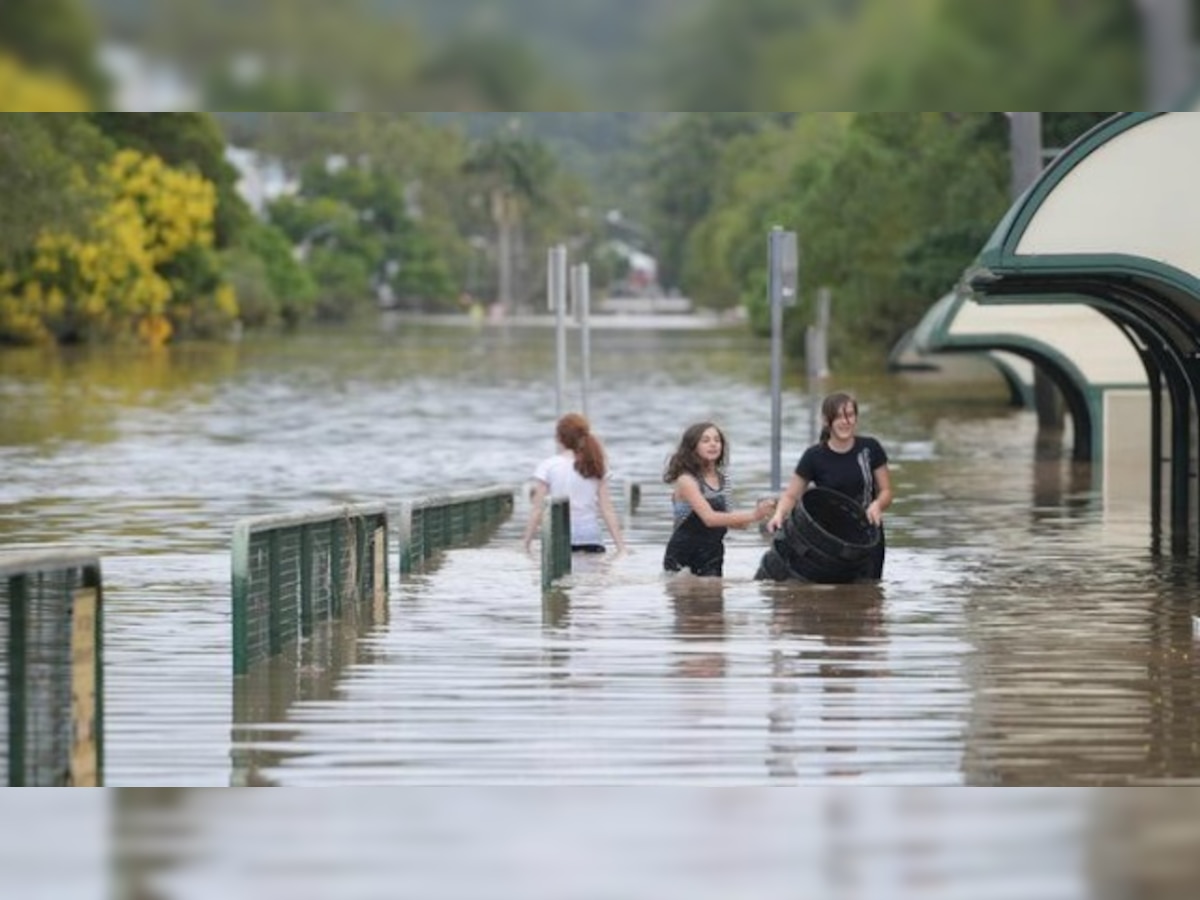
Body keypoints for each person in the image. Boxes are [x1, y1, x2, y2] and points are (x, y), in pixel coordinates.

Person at [767, 391, 893, 579]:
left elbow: (886, 491)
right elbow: (792, 495)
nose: (845, 422)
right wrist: (779, 514)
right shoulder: (814, 456)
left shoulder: (870, 449)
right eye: (840, 416)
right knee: (834, 596)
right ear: (827, 421)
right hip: (831, 539)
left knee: (870, 595)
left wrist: (878, 504)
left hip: (868, 536)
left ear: (856, 418)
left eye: (850, 415)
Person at [662, 421, 775, 577]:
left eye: (717, 440)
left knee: (714, 600)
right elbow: (710, 519)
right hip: (683, 556)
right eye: (706, 440)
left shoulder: (725, 480)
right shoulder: (686, 480)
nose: (713, 444)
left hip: (712, 555)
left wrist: (767, 514)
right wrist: (754, 514)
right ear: (692, 447)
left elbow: (732, 521)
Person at [522, 412, 626, 555]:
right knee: (592, 577)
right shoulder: (596, 465)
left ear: (559, 438)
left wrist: (526, 544)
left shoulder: (548, 466)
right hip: (590, 537)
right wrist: (621, 548)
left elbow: (538, 509)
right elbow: (607, 509)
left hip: (558, 538)